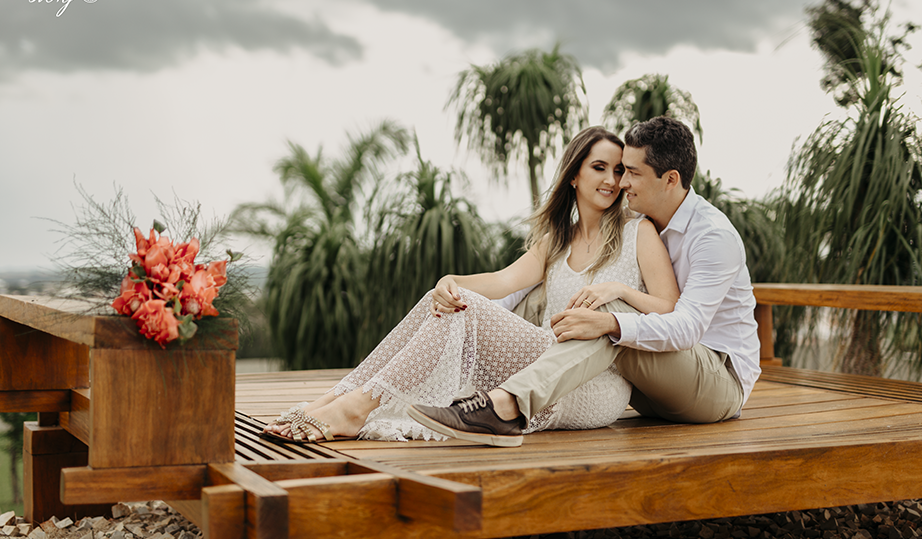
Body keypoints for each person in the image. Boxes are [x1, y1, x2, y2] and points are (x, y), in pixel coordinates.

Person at [261, 126, 680, 444]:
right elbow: (502, 280)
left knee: (467, 307)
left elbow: (669, 306)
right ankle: (337, 399)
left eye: (620, 171)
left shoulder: (638, 232)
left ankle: (354, 408)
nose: (612, 180)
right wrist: (450, 282)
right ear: (574, 175)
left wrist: (618, 291)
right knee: (447, 299)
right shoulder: (556, 241)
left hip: (595, 382)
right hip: (544, 363)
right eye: (599, 167)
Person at [408, 116, 761, 446]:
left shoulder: (712, 237)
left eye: (631, 173)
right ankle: (426, 393)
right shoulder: (642, 222)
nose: (621, 183)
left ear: (669, 179)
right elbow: (514, 285)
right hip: (648, 389)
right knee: (553, 300)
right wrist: (459, 292)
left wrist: (612, 315)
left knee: (606, 315)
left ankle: (505, 406)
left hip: (716, 384)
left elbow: (686, 329)